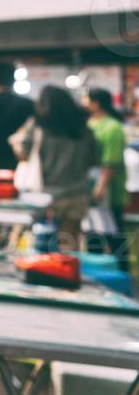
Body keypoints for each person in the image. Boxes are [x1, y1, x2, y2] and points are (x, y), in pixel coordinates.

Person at [10, 86, 98, 250]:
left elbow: (22, 153)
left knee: (22, 240)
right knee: (68, 246)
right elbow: (94, 160)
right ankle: (64, 275)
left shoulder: (37, 124)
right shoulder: (83, 128)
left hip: (41, 194)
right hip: (76, 194)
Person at [87, 87, 130, 265]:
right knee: (92, 233)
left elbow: (111, 161)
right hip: (90, 187)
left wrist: (101, 187)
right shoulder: (89, 125)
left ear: (96, 103)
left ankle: (122, 271)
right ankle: (96, 272)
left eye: (87, 100)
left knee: (114, 234)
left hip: (109, 189)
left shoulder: (113, 127)